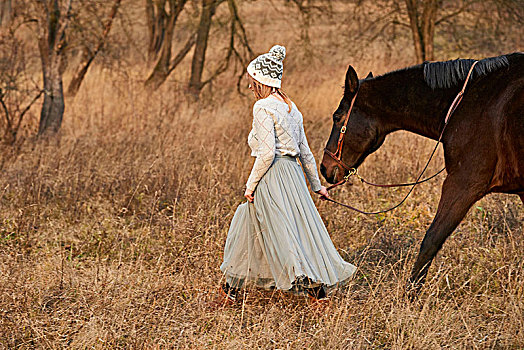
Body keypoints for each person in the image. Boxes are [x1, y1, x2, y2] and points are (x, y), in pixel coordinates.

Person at [219, 45, 356, 305]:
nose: (250, 87)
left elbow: (267, 154)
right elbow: (305, 152)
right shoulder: (292, 109)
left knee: (269, 231)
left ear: (262, 81)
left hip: (272, 176)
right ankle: (232, 292)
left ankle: (232, 293)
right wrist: (317, 187)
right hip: (293, 177)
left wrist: (250, 186)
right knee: (293, 231)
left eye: (252, 81)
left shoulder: (263, 108)